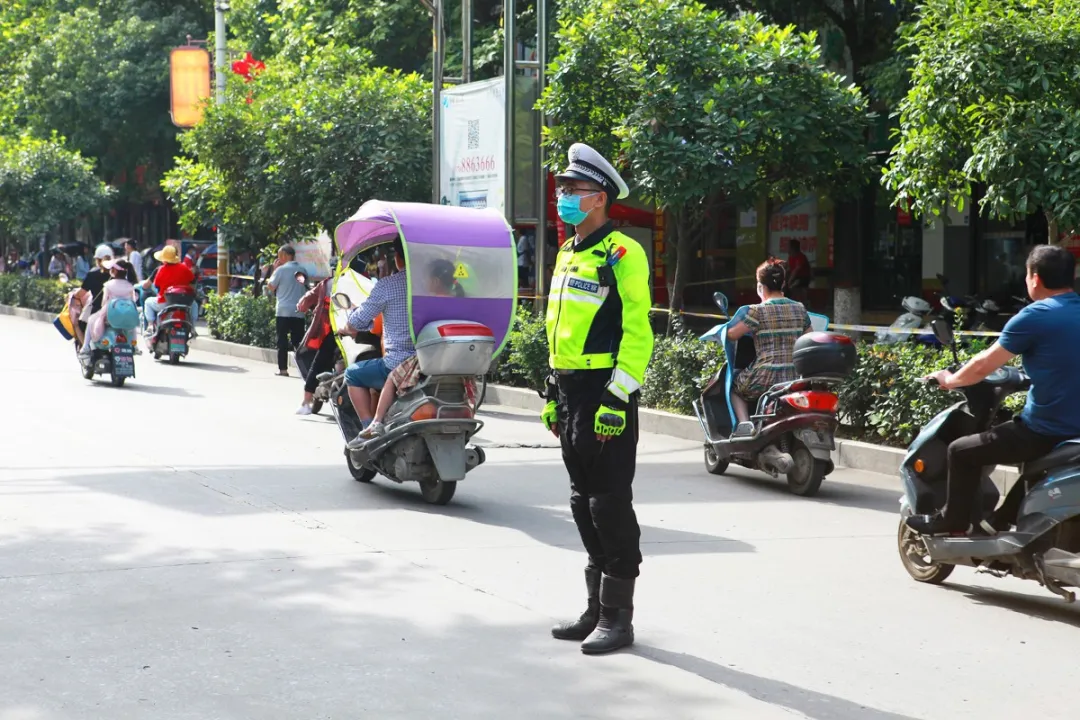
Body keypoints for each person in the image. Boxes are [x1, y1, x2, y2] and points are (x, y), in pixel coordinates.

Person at [541, 143, 653, 655]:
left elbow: (638, 332)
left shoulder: (622, 252)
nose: (563, 196)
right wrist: (551, 390)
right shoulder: (567, 251)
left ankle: (618, 618)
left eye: (573, 190)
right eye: (562, 189)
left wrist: (617, 394)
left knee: (609, 502)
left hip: (606, 391)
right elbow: (560, 327)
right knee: (581, 503)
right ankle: (594, 610)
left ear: (600, 198)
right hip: (570, 392)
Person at [907, 245, 1080, 536]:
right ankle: (998, 523)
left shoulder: (1035, 315)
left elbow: (982, 364)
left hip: (1048, 430)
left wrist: (950, 380)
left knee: (961, 451)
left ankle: (953, 522)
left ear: (1034, 279)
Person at [354, 258, 463, 439]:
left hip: (423, 356)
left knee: (390, 378)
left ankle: (376, 422)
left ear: (435, 281)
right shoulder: (455, 301)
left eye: (427, 278)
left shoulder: (428, 302)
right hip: (447, 357)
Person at [341, 238, 414, 447]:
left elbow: (358, 320)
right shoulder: (438, 286)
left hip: (398, 362)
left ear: (398, 258)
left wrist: (350, 322)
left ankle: (368, 429)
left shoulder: (388, 286)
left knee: (352, 373)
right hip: (435, 361)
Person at [726, 259, 812, 429]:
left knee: (734, 388)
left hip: (765, 377)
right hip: (794, 377)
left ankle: (745, 425)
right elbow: (810, 337)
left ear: (760, 286)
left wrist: (723, 330)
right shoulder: (800, 308)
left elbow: (733, 335)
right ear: (784, 283)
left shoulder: (757, 311)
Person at [294, 277, 335, 415]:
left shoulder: (329, 283)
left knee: (317, 361)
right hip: (358, 330)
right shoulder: (364, 281)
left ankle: (306, 401)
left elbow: (308, 297)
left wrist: (302, 305)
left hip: (336, 330)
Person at [266, 245, 308, 377]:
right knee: (299, 342)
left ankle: (283, 370)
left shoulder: (280, 270)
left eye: (280, 255)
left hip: (283, 311)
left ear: (285, 255)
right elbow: (305, 288)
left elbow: (271, 286)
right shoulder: (302, 270)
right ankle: (304, 370)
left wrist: (274, 270)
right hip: (298, 311)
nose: (278, 258)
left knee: (282, 341)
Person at [80, 259, 136, 357]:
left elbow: (104, 303)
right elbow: (133, 301)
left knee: (91, 320)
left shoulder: (108, 285)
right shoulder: (130, 286)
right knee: (133, 326)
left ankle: (85, 346)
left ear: (114, 271)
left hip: (110, 316)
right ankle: (135, 346)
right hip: (127, 317)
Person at [142, 245, 196, 335]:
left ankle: (150, 325)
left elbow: (156, 285)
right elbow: (192, 283)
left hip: (165, 303)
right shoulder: (184, 268)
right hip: (184, 303)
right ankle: (193, 327)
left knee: (148, 302)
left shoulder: (160, 270)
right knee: (194, 305)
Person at [786, 239, 811, 303]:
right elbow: (789, 269)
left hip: (803, 278)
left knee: (793, 286)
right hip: (794, 279)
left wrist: (789, 282)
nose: (786, 248)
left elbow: (796, 270)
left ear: (793, 248)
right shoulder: (790, 257)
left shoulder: (801, 257)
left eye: (788, 246)